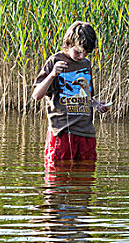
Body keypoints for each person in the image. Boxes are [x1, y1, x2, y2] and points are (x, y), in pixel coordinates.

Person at [32, 21, 111, 169]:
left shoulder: (86, 64)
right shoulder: (55, 61)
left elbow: (85, 96)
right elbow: (36, 95)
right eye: (78, 51)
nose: (82, 56)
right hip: (61, 133)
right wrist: (52, 75)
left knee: (85, 185)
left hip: (86, 133)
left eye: (86, 52)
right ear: (68, 43)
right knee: (57, 181)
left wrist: (97, 104)